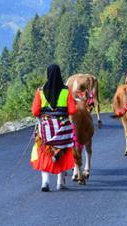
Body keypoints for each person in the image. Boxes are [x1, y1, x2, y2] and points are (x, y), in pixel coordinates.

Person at [31, 64, 77, 192]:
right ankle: (60, 183)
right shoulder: (66, 91)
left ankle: (45, 182)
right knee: (64, 150)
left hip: (45, 127)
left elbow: (35, 111)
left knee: (43, 151)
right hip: (62, 127)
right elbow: (72, 110)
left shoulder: (40, 91)